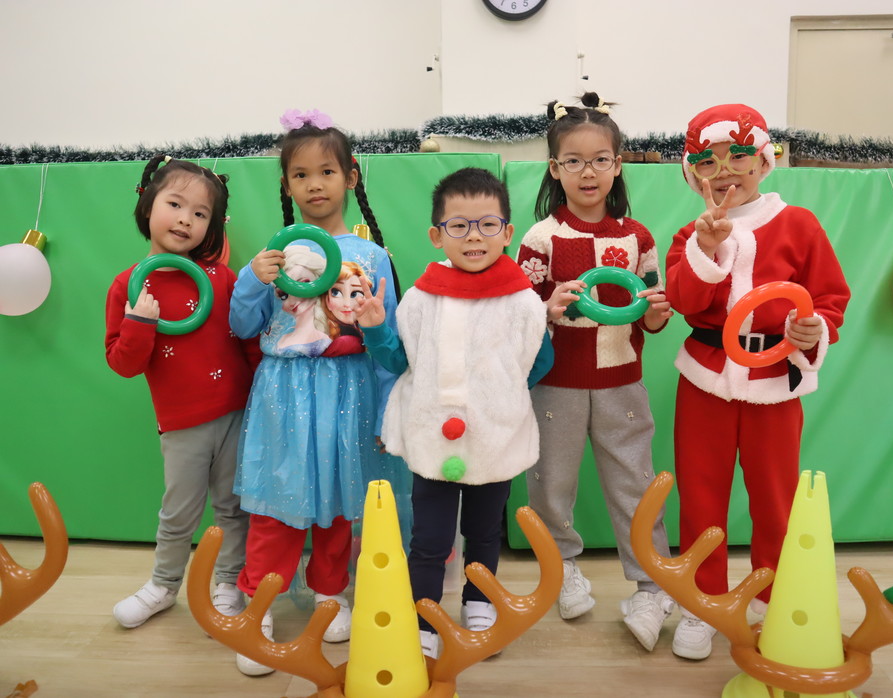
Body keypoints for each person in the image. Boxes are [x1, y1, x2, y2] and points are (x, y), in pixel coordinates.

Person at [665, 104, 850, 660]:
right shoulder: (690, 233)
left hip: (775, 382)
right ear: (693, 174)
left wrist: (812, 328)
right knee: (700, 495)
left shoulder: (800, 225)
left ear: (764, 162)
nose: (725, 170)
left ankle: (775, 601)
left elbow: (829, 298)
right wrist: (704, 248)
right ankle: (702, 603)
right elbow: (683, 300)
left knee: (776, 498)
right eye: (708, 161)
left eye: (739, 156)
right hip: (705, 381)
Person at [228, 108, 409, 677]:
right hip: (284, 394)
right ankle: (258, 605)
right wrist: (252, 276)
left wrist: (387, 411)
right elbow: (241, 324)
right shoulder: (274, 256)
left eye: (326, 172)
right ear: (286, 185)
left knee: (339, 499)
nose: (315, 184)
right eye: (301, 174)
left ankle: (330, 595)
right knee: (276, 505)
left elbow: (386, 341)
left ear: (350, 177)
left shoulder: (371, 256)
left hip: (348, 391)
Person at [355, 167, 557, 660]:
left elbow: (538, 362)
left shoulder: (523, 301)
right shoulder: (420, 299)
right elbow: (401, 361)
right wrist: (377, 328)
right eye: (459, 226)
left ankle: (479, 602)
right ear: (437, 235)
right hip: (432, 439)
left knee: (484, 533)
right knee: (429, 538)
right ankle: (424, 616)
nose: (474, 237)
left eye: (488, 225)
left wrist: (500, 401)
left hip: (494, 440)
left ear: (507, 233)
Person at [515, 93, 675, 653]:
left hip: (621, 383)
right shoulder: (539, 238)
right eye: (575, 161)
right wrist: (547, 308)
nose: (589, 172)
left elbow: (649, 316)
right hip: (555, 383)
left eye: (601, 159)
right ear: (555, 169)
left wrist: (656, 313)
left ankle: (652, 586)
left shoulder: (638, 238)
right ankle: (562, 569)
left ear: (618, 165)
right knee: (550, 483)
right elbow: (519, 315)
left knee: (635, 484)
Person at [105, 155, 256, 630]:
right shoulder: (128, 285)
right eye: (175, 204)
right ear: (148, 204)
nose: (186, 219)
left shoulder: (222, 278)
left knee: (235, 508)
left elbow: (250, 340)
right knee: (178, 513)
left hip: (236, 414)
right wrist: (139, 323)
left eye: (200, 213)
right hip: (181, 423)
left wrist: (263, 400)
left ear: (212, 225)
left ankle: (229, 583)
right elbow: (123, 363)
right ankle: (164, 586)